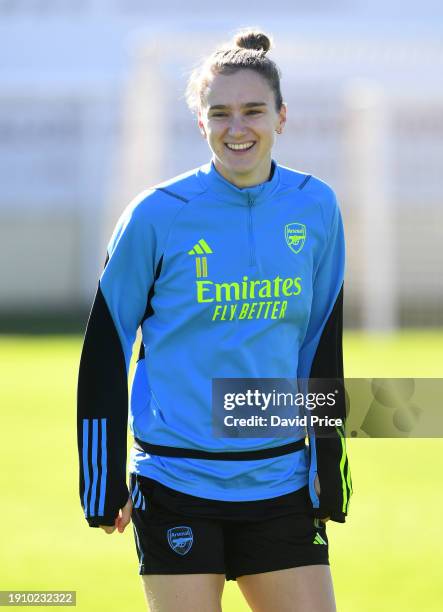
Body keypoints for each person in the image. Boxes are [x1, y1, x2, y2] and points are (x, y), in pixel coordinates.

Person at [77, 29, 352, 612]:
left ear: (281, 116)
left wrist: (330, 460)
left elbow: (321, 342)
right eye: (219, 113)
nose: (237, 128)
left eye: (253, 111)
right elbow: (106, 344)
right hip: (178, 484)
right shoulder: (156, 214)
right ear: (201, 124)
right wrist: (101, 480)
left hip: (280, 482)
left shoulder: (316, 206)